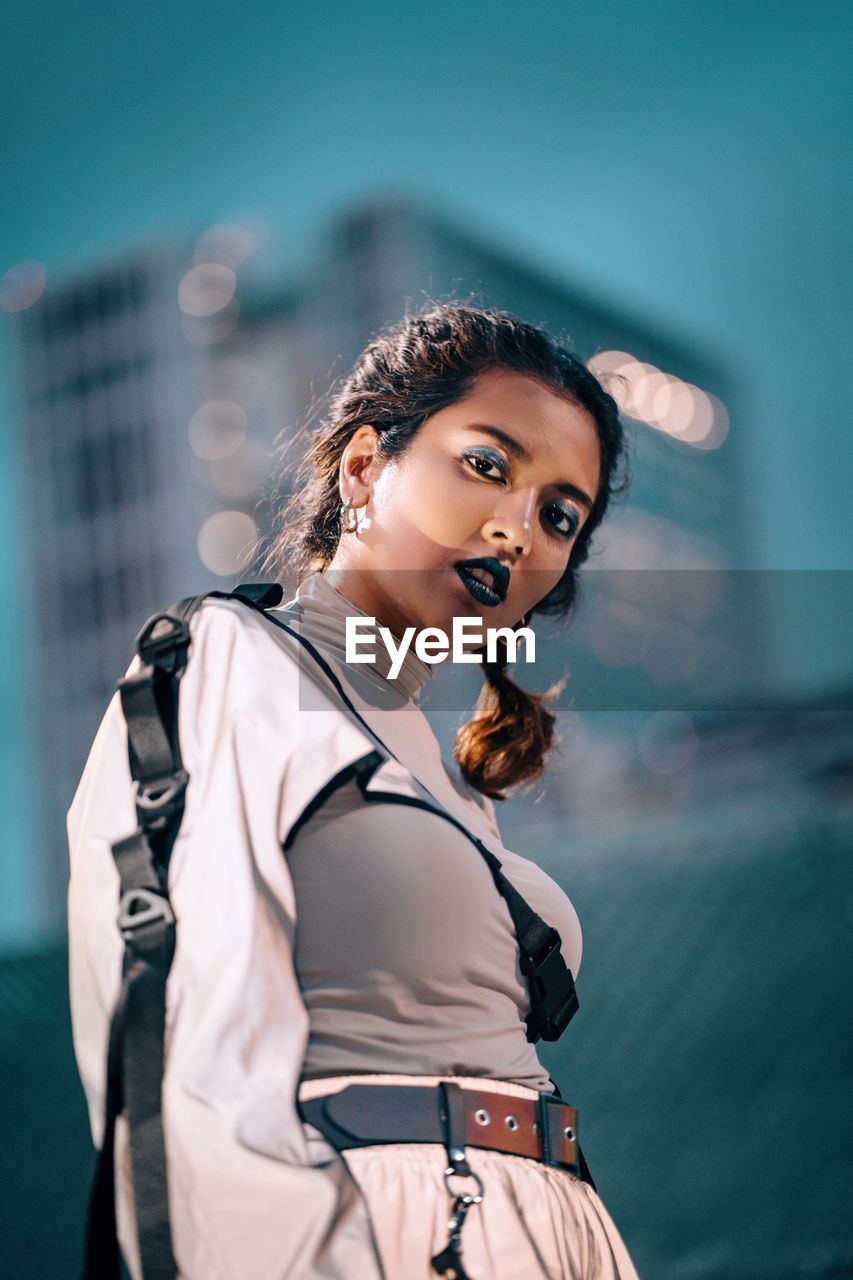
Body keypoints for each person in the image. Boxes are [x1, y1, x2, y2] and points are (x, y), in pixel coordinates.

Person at [67, 302, 641, 1278]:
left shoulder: (450, 772)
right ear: (365, 467)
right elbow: (172, 1050)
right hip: (381, 1229)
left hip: (553, 1226)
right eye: (488, 463)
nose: (516, 527)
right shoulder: (227, 660)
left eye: (558, 515)